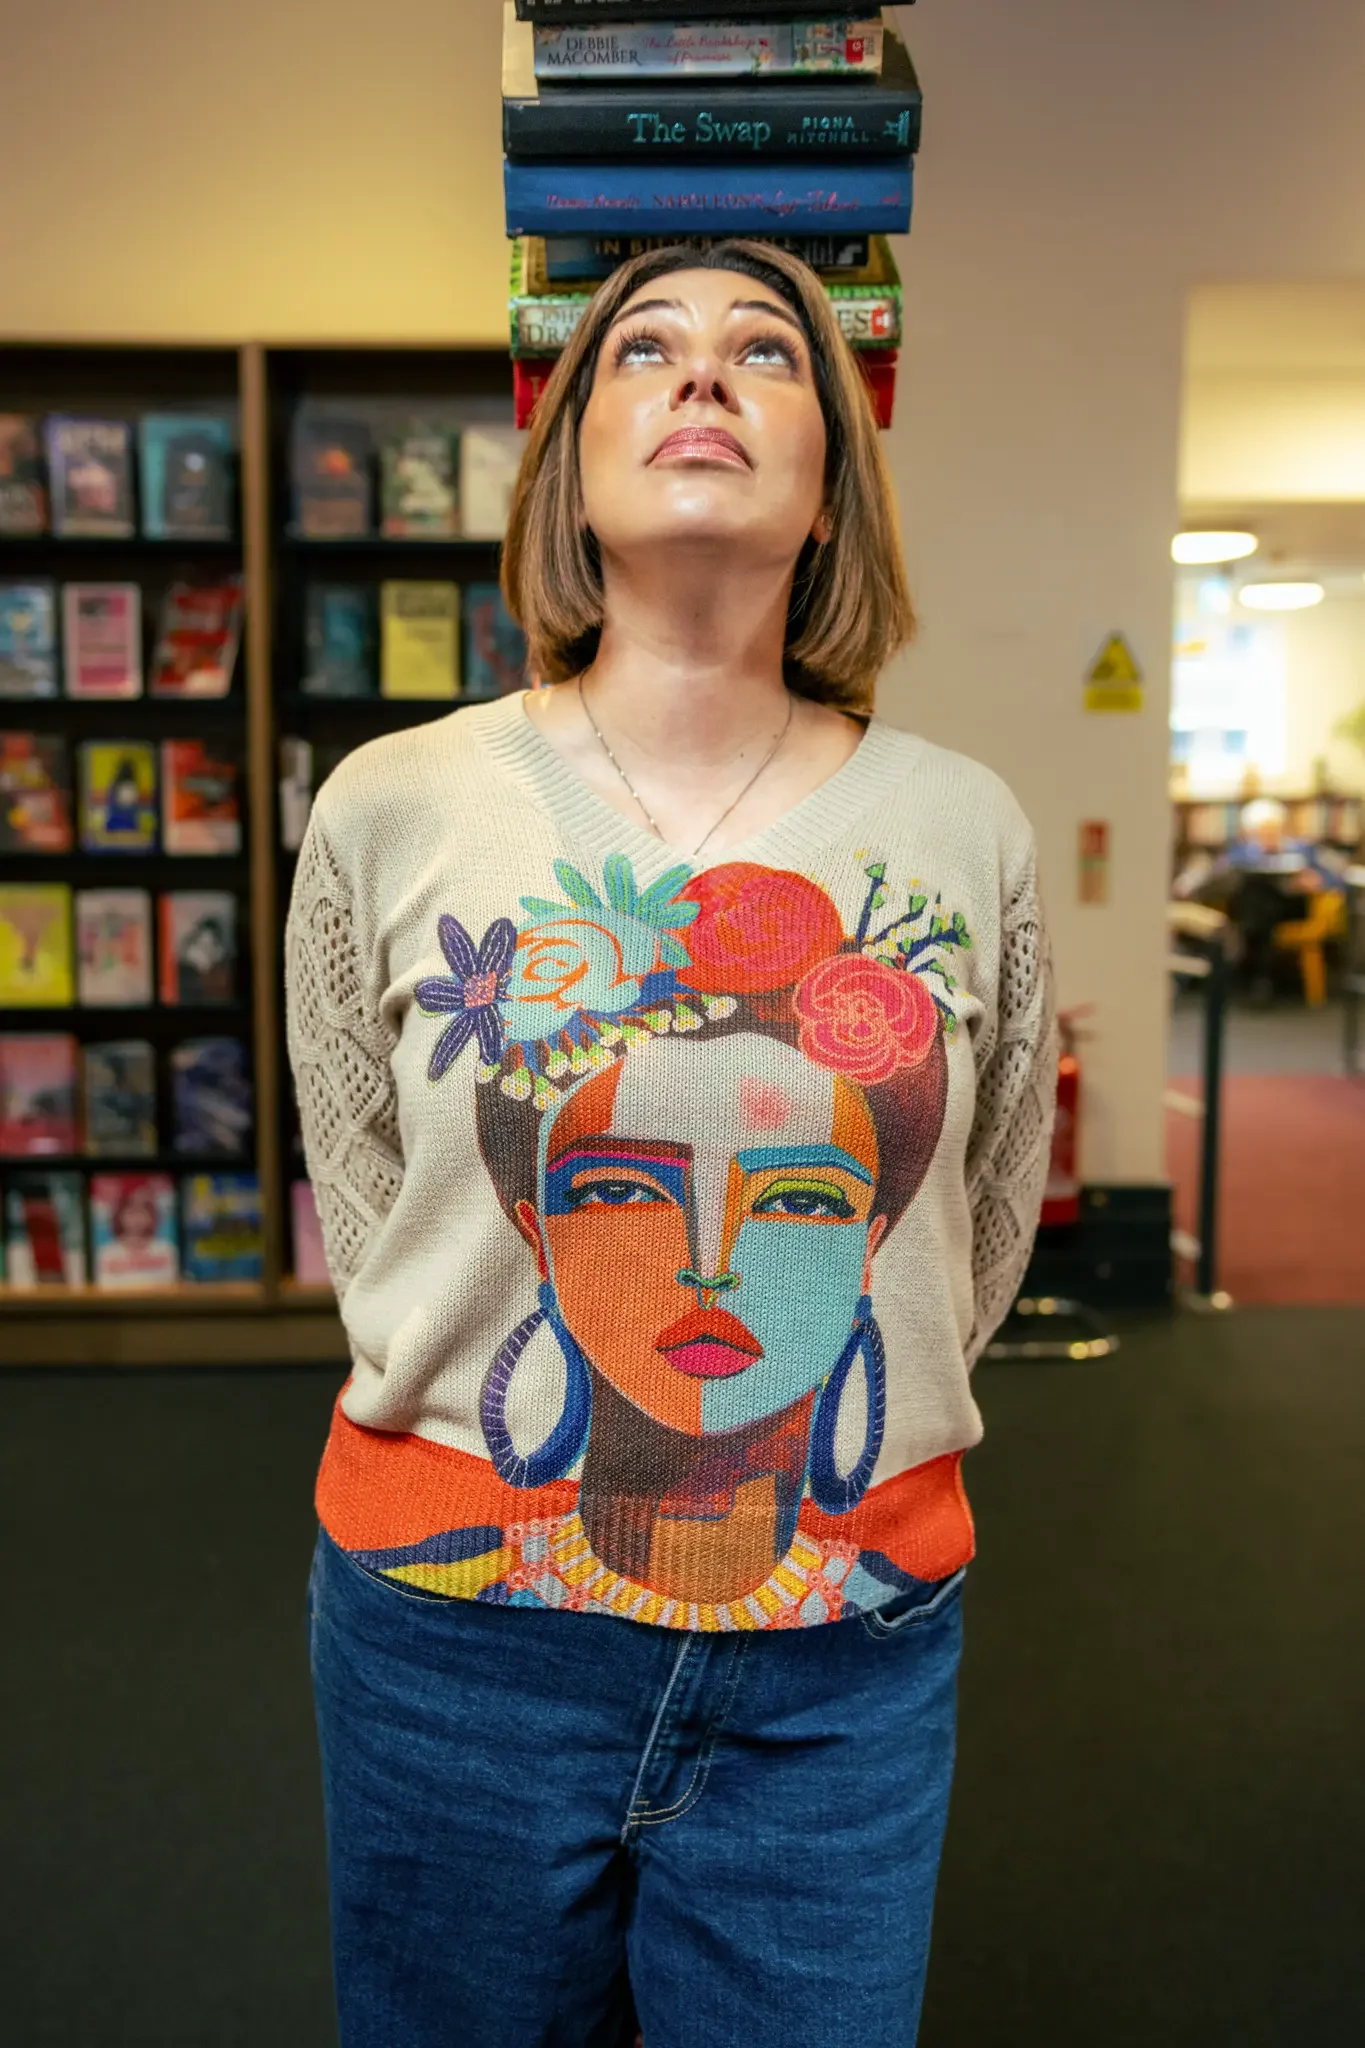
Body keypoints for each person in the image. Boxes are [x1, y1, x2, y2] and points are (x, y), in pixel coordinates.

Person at [286, 239, 1057, 2048]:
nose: (703, 374)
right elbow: (381, 1194)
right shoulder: (393, 805)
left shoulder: (964, 824)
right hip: (450, 1646)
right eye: (644, 345)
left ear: (829, 481)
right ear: (566, 464)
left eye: (765, 353)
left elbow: (978, 1222)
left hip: (846, 1653)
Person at [1175, 796, 1347, 999]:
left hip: (1292, 909)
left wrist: (1317, 881)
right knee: (1257, 891)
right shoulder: (1241, 853)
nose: (1269, 834)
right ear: (1252, 832)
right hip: (1257, 910)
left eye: (1273, 828)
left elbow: (1339, 878)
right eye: (1263, 830)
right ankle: (1262, 978)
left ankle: (1252, 971)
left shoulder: (1303, 850)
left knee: (1259, 906)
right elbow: (1216, 875)